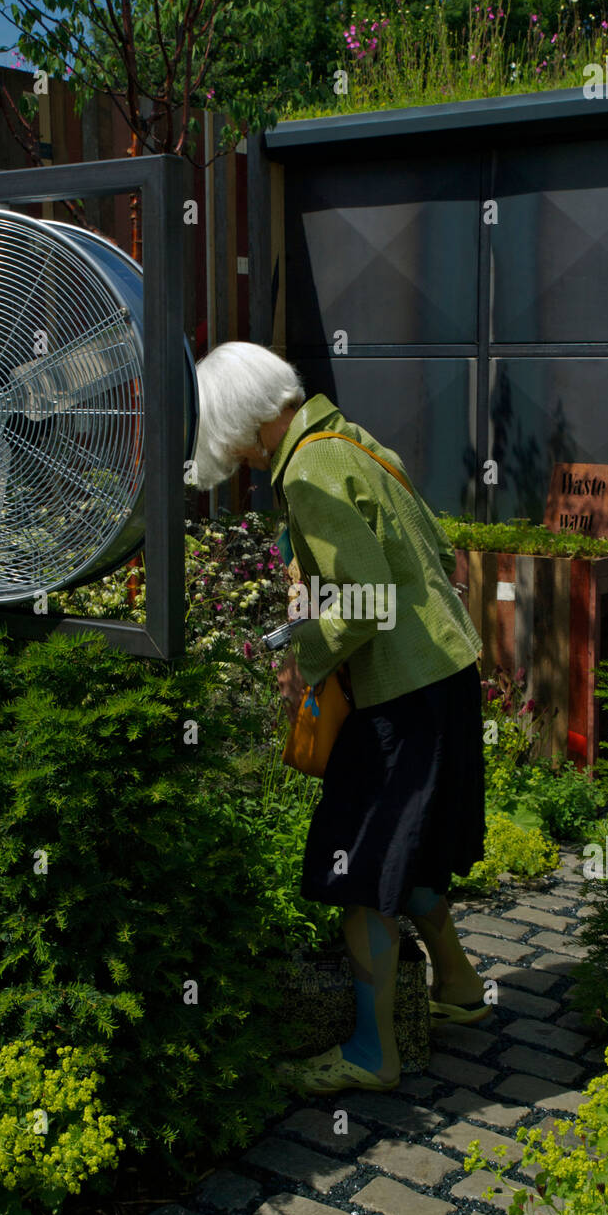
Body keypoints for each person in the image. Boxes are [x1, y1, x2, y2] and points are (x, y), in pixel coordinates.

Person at [192, 340, 490, 1095]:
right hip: (442, 675)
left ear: (241, 418)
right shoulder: (350, 439)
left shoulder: (310, 466)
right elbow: (428, 556)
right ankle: (456, 989)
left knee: (357, 865)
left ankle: (370, 1055)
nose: (239, 458)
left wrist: (303, 661)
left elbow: (365, 598)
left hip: (400, 692)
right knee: (406, 851)